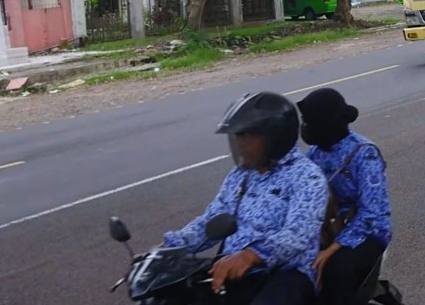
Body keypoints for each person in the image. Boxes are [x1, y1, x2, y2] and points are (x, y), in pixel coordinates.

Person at [162, 91, 328, 305]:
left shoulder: (307, 176)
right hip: (232, 266)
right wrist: (170, 247)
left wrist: (251, 255)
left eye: (247, 136)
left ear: (275, 136)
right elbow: (213, 218)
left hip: (285, 272)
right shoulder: (240, 175)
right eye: (237, 136)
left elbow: (297, 234)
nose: (240, 143)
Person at [298, 88, 393, 305]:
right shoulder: (314, 154)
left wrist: (332, 249)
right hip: (326, 231)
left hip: (367, 233)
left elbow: (372, 212)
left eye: (309, 121)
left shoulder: (364, 154)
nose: (305, 127)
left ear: (326, 122)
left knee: (334, 271)